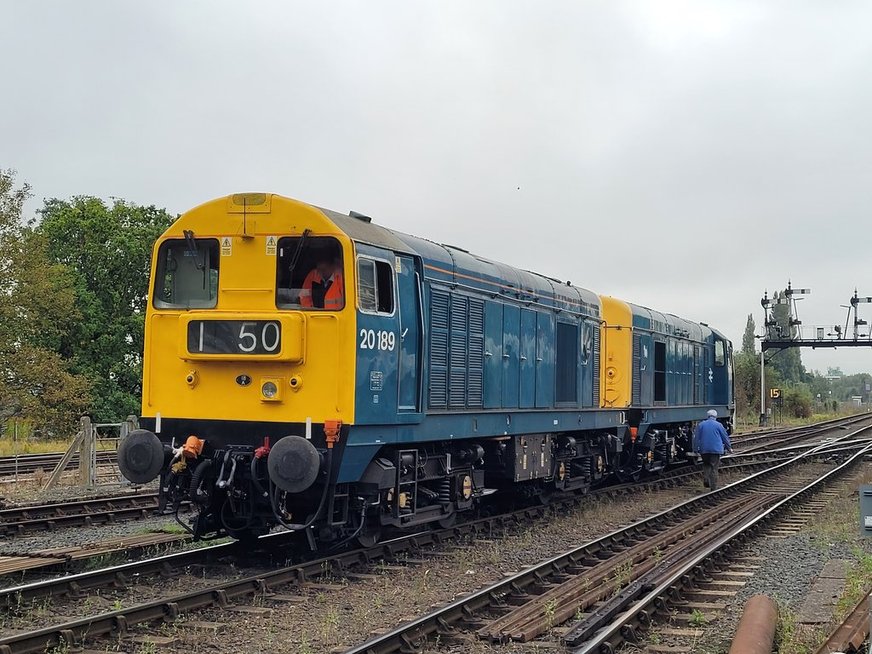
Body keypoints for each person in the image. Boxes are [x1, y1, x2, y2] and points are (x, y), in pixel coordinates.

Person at [693, 409, 733, 491]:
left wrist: (695, 449)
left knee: (706, 464)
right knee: (714, 467)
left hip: (704, 450)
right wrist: (729, 448)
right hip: (716, 450)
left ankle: (706, 479)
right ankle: (713, 488)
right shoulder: (719, 425)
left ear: (707, 416)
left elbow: (696, 438)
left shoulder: (701, 425)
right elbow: (725, 437)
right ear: (715, 416)